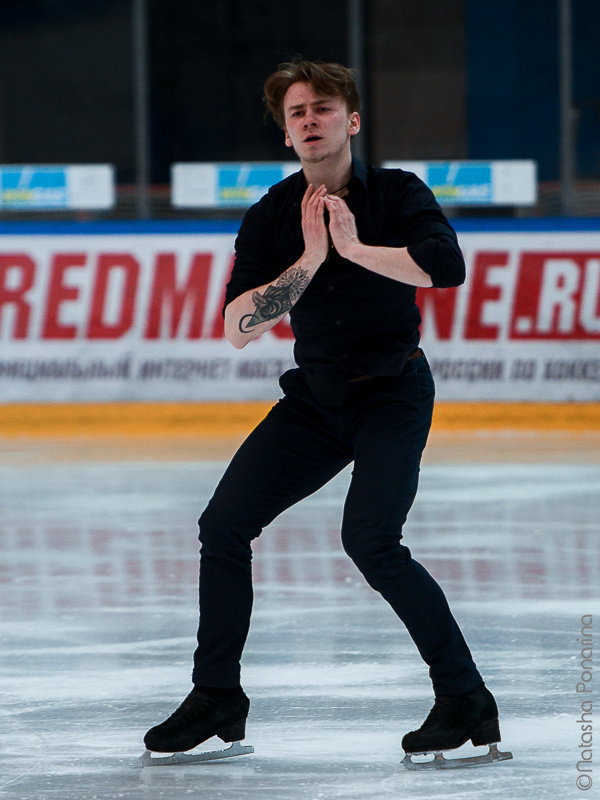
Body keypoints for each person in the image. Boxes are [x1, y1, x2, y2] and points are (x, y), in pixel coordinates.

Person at [144, 59, 503, 762]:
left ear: (352, 120)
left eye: (323, 109)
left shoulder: (398, 194)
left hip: (393, 394)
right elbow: (237, 327)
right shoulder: (273, 215)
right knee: (222, 525)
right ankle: (217, 695)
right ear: (287, 134)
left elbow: (446, 267)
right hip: (316, 401)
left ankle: (464, 697)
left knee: (371, 542)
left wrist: (356, 249)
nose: (310, 121)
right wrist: (309, 259)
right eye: (297, 113)